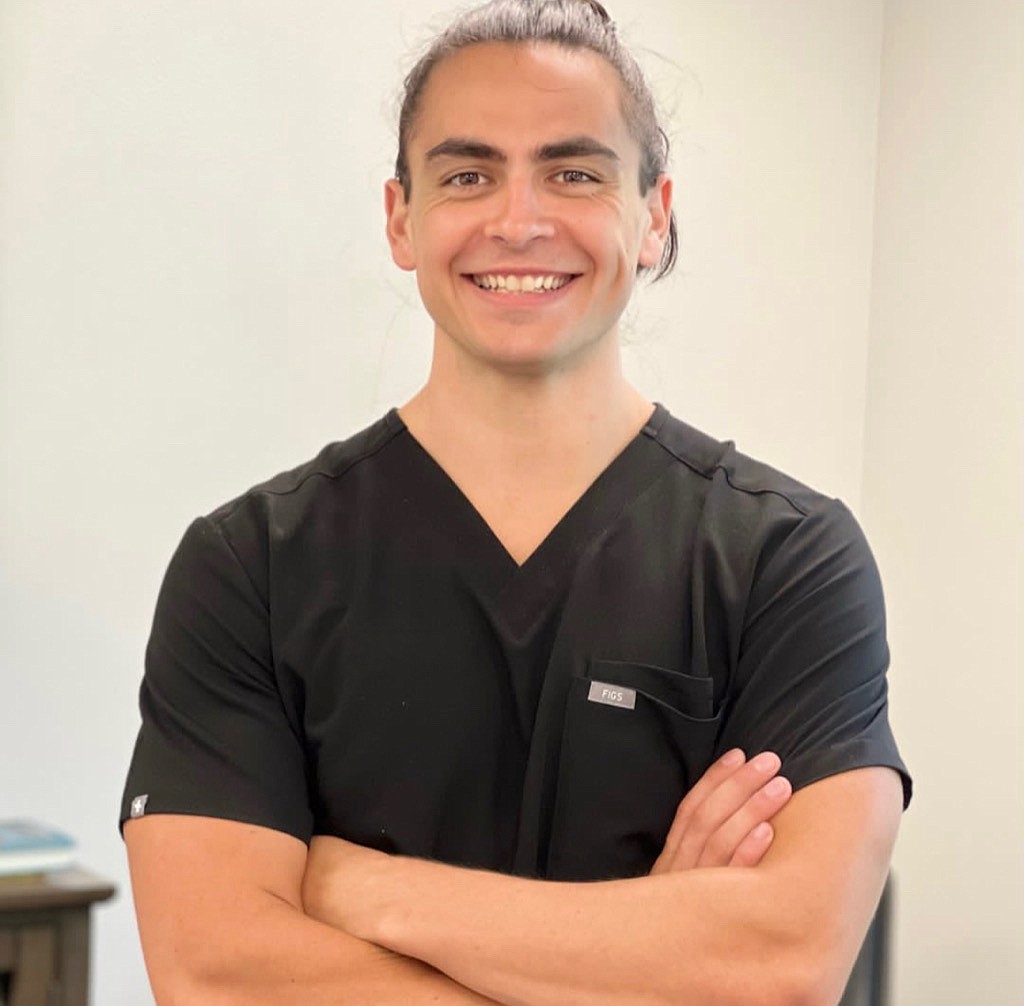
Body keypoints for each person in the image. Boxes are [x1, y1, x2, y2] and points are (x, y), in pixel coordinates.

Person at [121, 1, 911, 1003]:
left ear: (653, 214)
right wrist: (642, 962)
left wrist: (365, 889)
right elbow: (217, 971)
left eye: (573, 172)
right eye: (467, 174)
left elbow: (780, 966)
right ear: (401, 218)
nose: (518, 219)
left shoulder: (785, 560)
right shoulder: (252, 567)